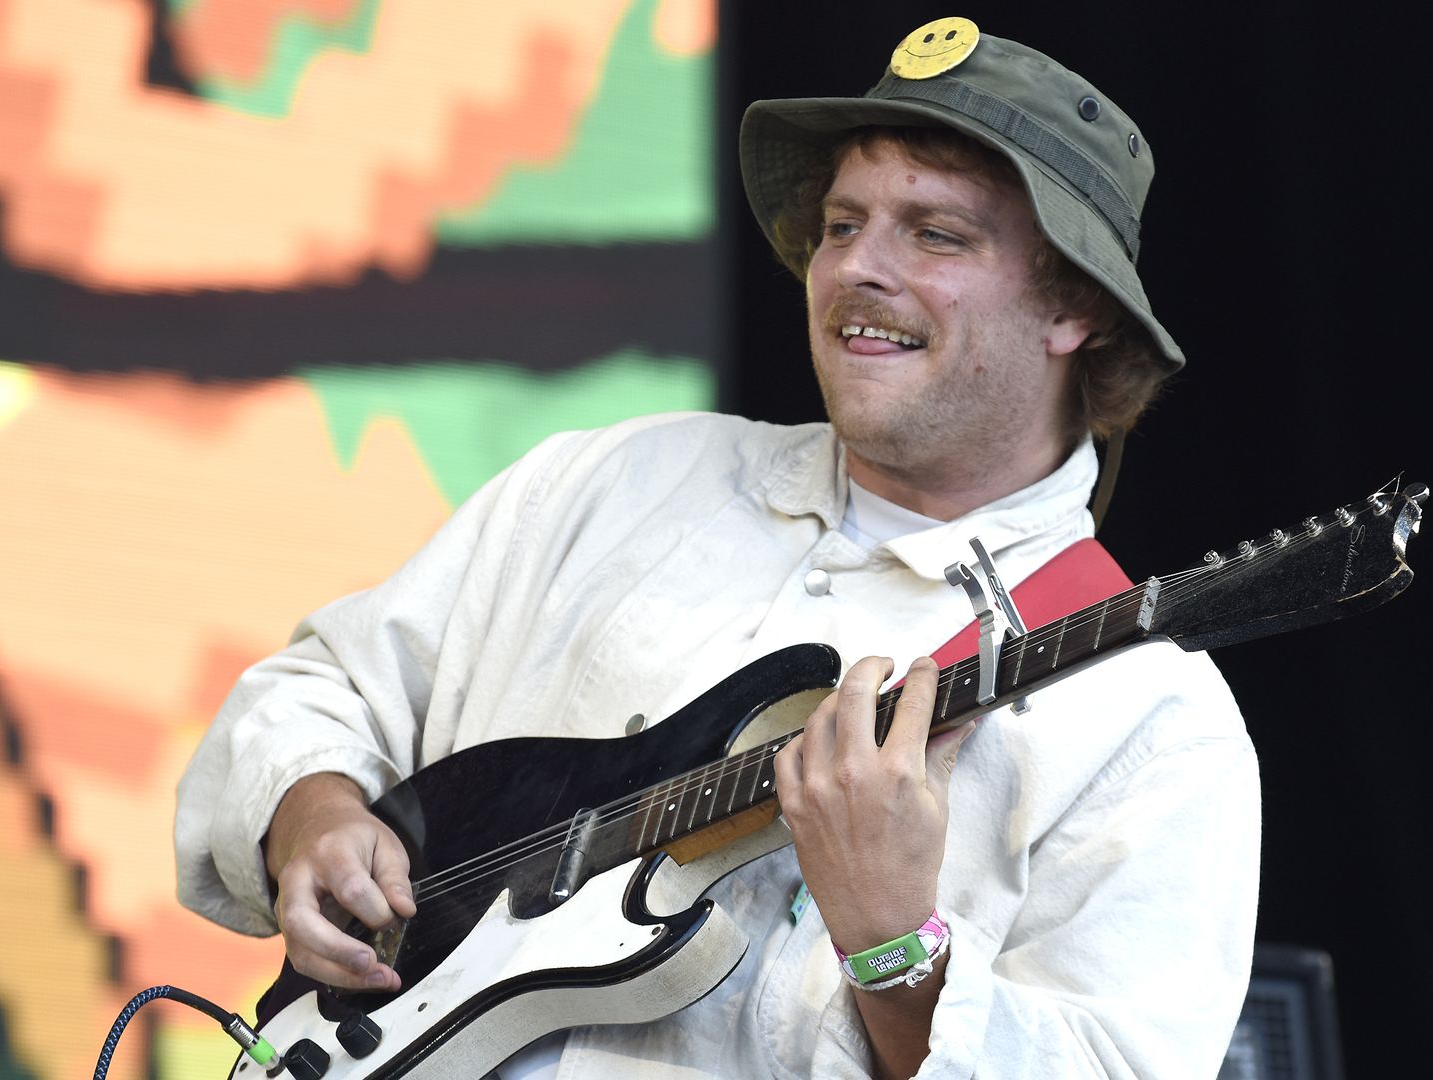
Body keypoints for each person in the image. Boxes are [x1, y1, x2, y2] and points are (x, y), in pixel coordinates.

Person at [176, 18, 1259, 1079]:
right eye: (841, 224)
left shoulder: (1152, 722)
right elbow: (326, 686)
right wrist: (310, 811)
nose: (854, 270)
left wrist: (892, 941)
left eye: (935, 234)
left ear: (1074, 306)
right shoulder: (618, 477)